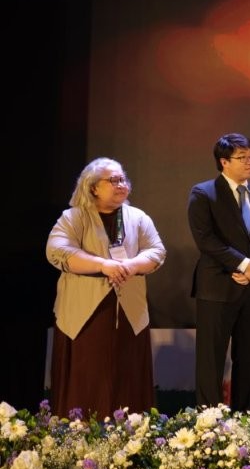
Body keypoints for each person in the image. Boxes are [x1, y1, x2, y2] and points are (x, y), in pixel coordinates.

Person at [45, 158, 166, 418]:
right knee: (88, 377)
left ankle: (129, 434)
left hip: (130, 313)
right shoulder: (74, 217)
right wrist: (103, 265)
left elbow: (157, 251)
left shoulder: (138, 217)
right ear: (93, 187)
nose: (121, 184)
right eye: (113, 180)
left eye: (123, 179)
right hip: (84, 314)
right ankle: (79, 433)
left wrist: (132, 265)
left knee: (127, 376)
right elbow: (56, 250)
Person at [187, 133, 250, 410]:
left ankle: (244, 417)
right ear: (224, 162)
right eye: (242, 157)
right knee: (211, 360)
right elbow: (206, 239)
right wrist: (244, 264)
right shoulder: (204, 193)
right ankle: (209, 422)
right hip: (217, 287)